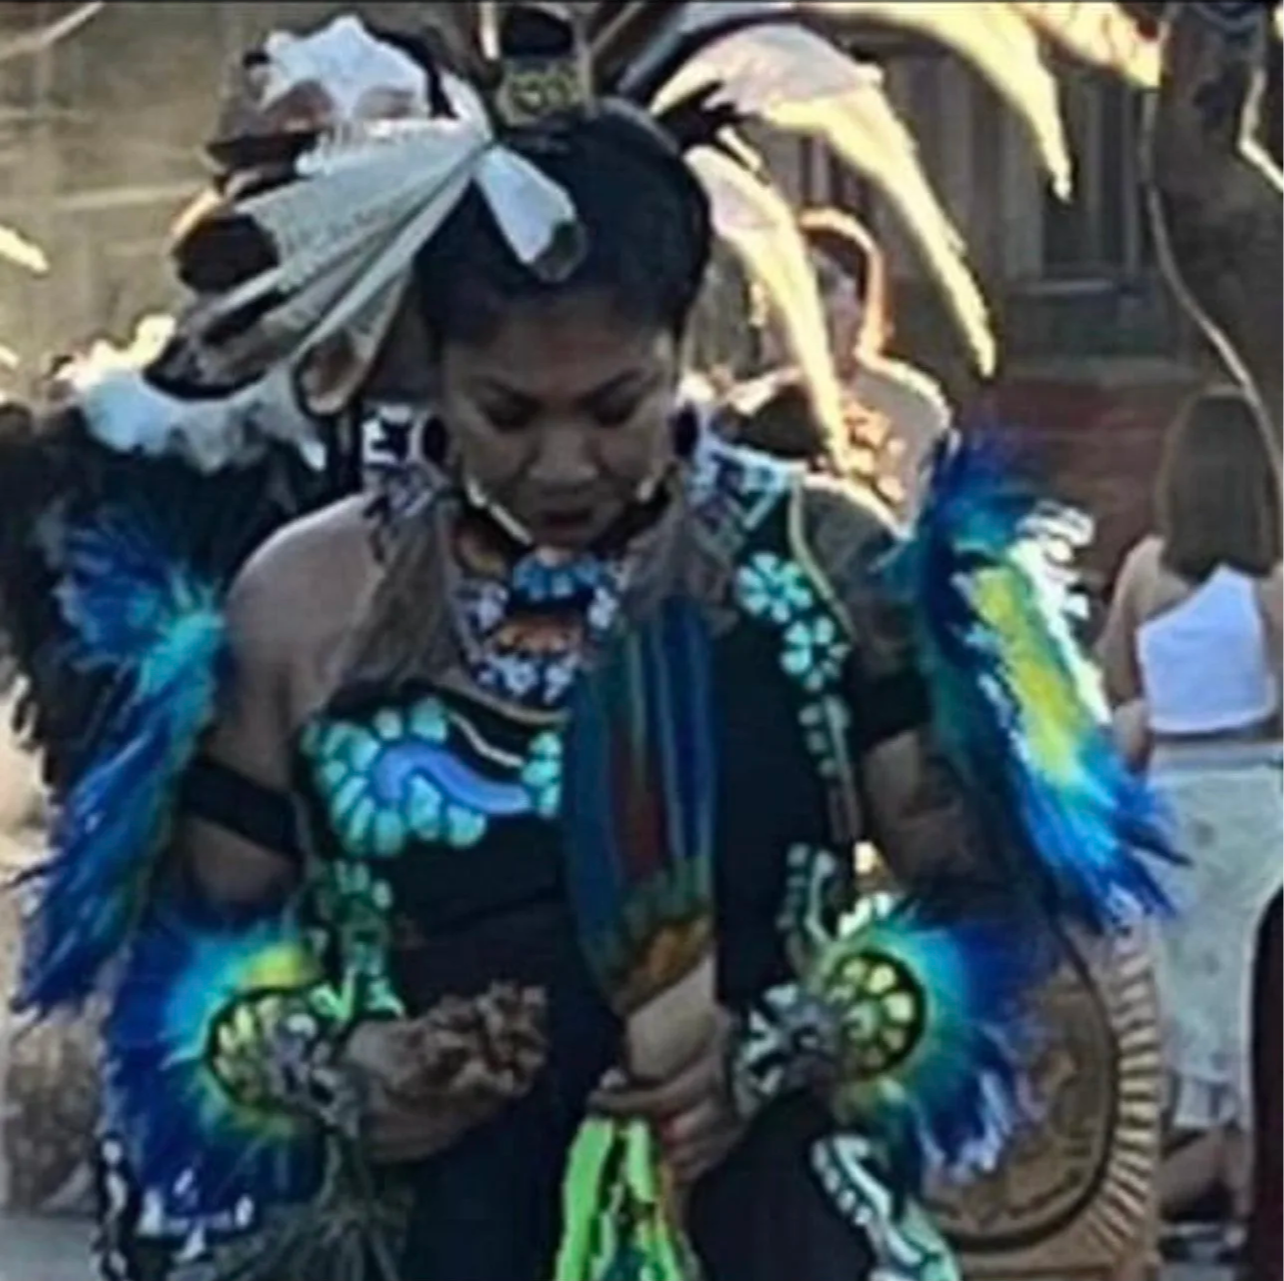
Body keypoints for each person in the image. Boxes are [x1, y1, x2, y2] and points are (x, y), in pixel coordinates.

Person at [0, 8, 1171, 1281]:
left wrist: (777, 1047)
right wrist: (344, 1068)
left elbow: (993, 910)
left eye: (617, 404)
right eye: (506, 412)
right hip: (426, 1238)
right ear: (425, 368)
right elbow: (196, 961)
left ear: (689, 346)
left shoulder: (826, 571)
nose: (565, 463)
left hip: (764, 1228)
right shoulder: (302, 602)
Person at [1098, 387, 1284, 1231]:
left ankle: (1161, 1197)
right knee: (1249, 1003)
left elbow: (1114, 685)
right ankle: (1246, 1196)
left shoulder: (1142, 567)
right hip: (1254, 799)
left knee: (1186, 1004)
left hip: (1169, 794)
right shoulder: (1273, 583)